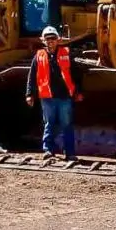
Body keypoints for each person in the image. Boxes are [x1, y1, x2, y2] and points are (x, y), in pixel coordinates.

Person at [26, 26, 83, 161]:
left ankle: (69, 152)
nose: (50, 41)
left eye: (53, 39)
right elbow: (32, 76)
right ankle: (48, 150)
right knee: (49, 124)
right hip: (47, 97)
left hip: (64, 96)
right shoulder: (39, 56)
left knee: (66, 124)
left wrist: (78, 91)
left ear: (58, 40)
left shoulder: (67, 54)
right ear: (43, 41)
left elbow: (77, 74)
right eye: (47, 39)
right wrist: (29, 94)